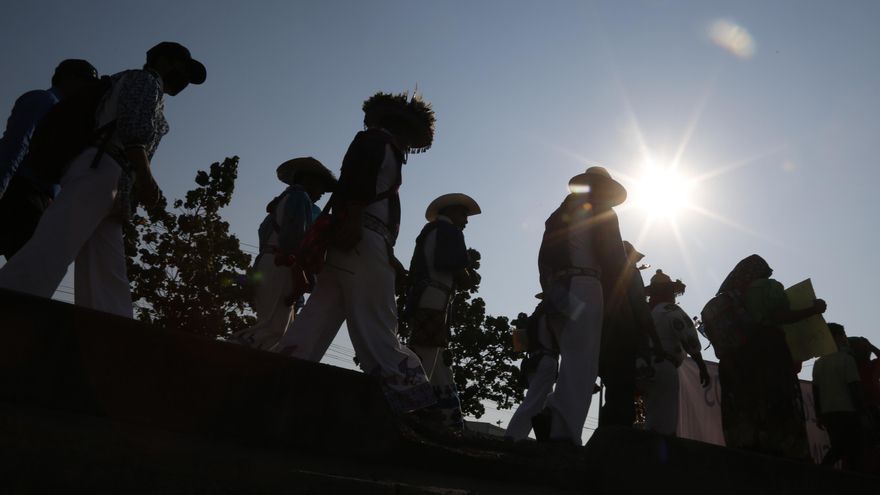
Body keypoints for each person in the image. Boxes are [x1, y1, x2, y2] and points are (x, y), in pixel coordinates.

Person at [0, 42, 206, 318]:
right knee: (55, 243)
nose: (185, 80)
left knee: (107, 268)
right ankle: (12, 302)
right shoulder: (145, 80)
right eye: (183, 68)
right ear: (166, 61)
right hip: (102, 167)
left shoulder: (136, 83)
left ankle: (111, 332)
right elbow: (134, 131)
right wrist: (146, 179)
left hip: (112, 177)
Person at [276, 92, 437, 415]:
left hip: (355, 239)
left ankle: (276, 384)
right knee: (377, 322)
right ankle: (414, 403)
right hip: (362, 237)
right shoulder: (377, 143)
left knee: (317, 319)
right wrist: (353, 220)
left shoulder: (379, 145)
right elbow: (356, 183)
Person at [536, 166, 628, 445]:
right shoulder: (603, 212)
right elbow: (613, 259)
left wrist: (550, 290)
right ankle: (562, 429)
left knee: (571, 356)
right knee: (582, 363)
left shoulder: (557, 216)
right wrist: (621, 297)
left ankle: (554, 416)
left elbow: (543, 259)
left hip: (559, 289)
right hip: (586, 286)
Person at [715, 254, 826, 460]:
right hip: (771, 350)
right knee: (779, 399)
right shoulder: (768, 287)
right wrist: (813, 309)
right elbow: (778, 316)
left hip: (746, 356)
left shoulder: (735, 296)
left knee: (756, 402)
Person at [231, 157, 336, 350]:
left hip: (270, 263)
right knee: (273, 329)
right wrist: (299, 274)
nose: (322, 192)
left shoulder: (282, 202)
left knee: (278, 330)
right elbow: (293, 241)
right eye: (321, 186)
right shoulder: (299, 198)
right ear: (308, 179)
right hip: (282, 265)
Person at [0, 59, 98, 259]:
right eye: (84, 82)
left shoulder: (69, 118)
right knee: (27, 274)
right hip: (18, 192)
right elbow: (17, 143)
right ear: (67, 78)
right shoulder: (43, 100)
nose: (86, 90)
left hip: (39, 202)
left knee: (25, 273)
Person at [403, 193, 481, 430]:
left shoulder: (430, 232)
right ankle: (409, 405)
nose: (466, 221)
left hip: (427, 294)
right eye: (464, 215)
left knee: (433, 353)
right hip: (435, 297)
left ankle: (445, 415)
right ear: (453, 212)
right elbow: (453, 266)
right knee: (426, 352)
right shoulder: (450, 232)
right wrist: (469, 277)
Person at [598, 240, 663, 428]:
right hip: (624, 339)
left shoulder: (602, 277)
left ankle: (607, 439)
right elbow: (641, 308)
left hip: (603, 341)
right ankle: (616, 443)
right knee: (623, 396)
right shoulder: (631, 273)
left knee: (613, 393)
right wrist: (655, 342)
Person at [638, 269, 710, 435]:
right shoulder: (671, 310)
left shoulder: (646, 312)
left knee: (650, 414)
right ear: (670, 292)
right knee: (664, 419)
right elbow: (689, 337)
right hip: (663, 365)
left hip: (642, 366)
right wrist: (701, 366)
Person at [505, 296, 560, 440]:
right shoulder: (550, 314)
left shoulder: (534, 317)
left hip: (534, 361)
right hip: (546, 359)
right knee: (535, 403)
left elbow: (521, 343)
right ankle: (513, 436)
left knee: (544, 404)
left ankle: (546, 439)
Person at [813, 323, 866, 470]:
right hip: (847, 411)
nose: (845, 338)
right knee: (851, 448)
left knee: (839, 446)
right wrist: (861, 411)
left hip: (828, 412)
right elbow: (854, 388)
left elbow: (815, 390)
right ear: (836, 337)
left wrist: (819, 414)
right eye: (843, 335)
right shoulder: (846, 360)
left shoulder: (818, 363)